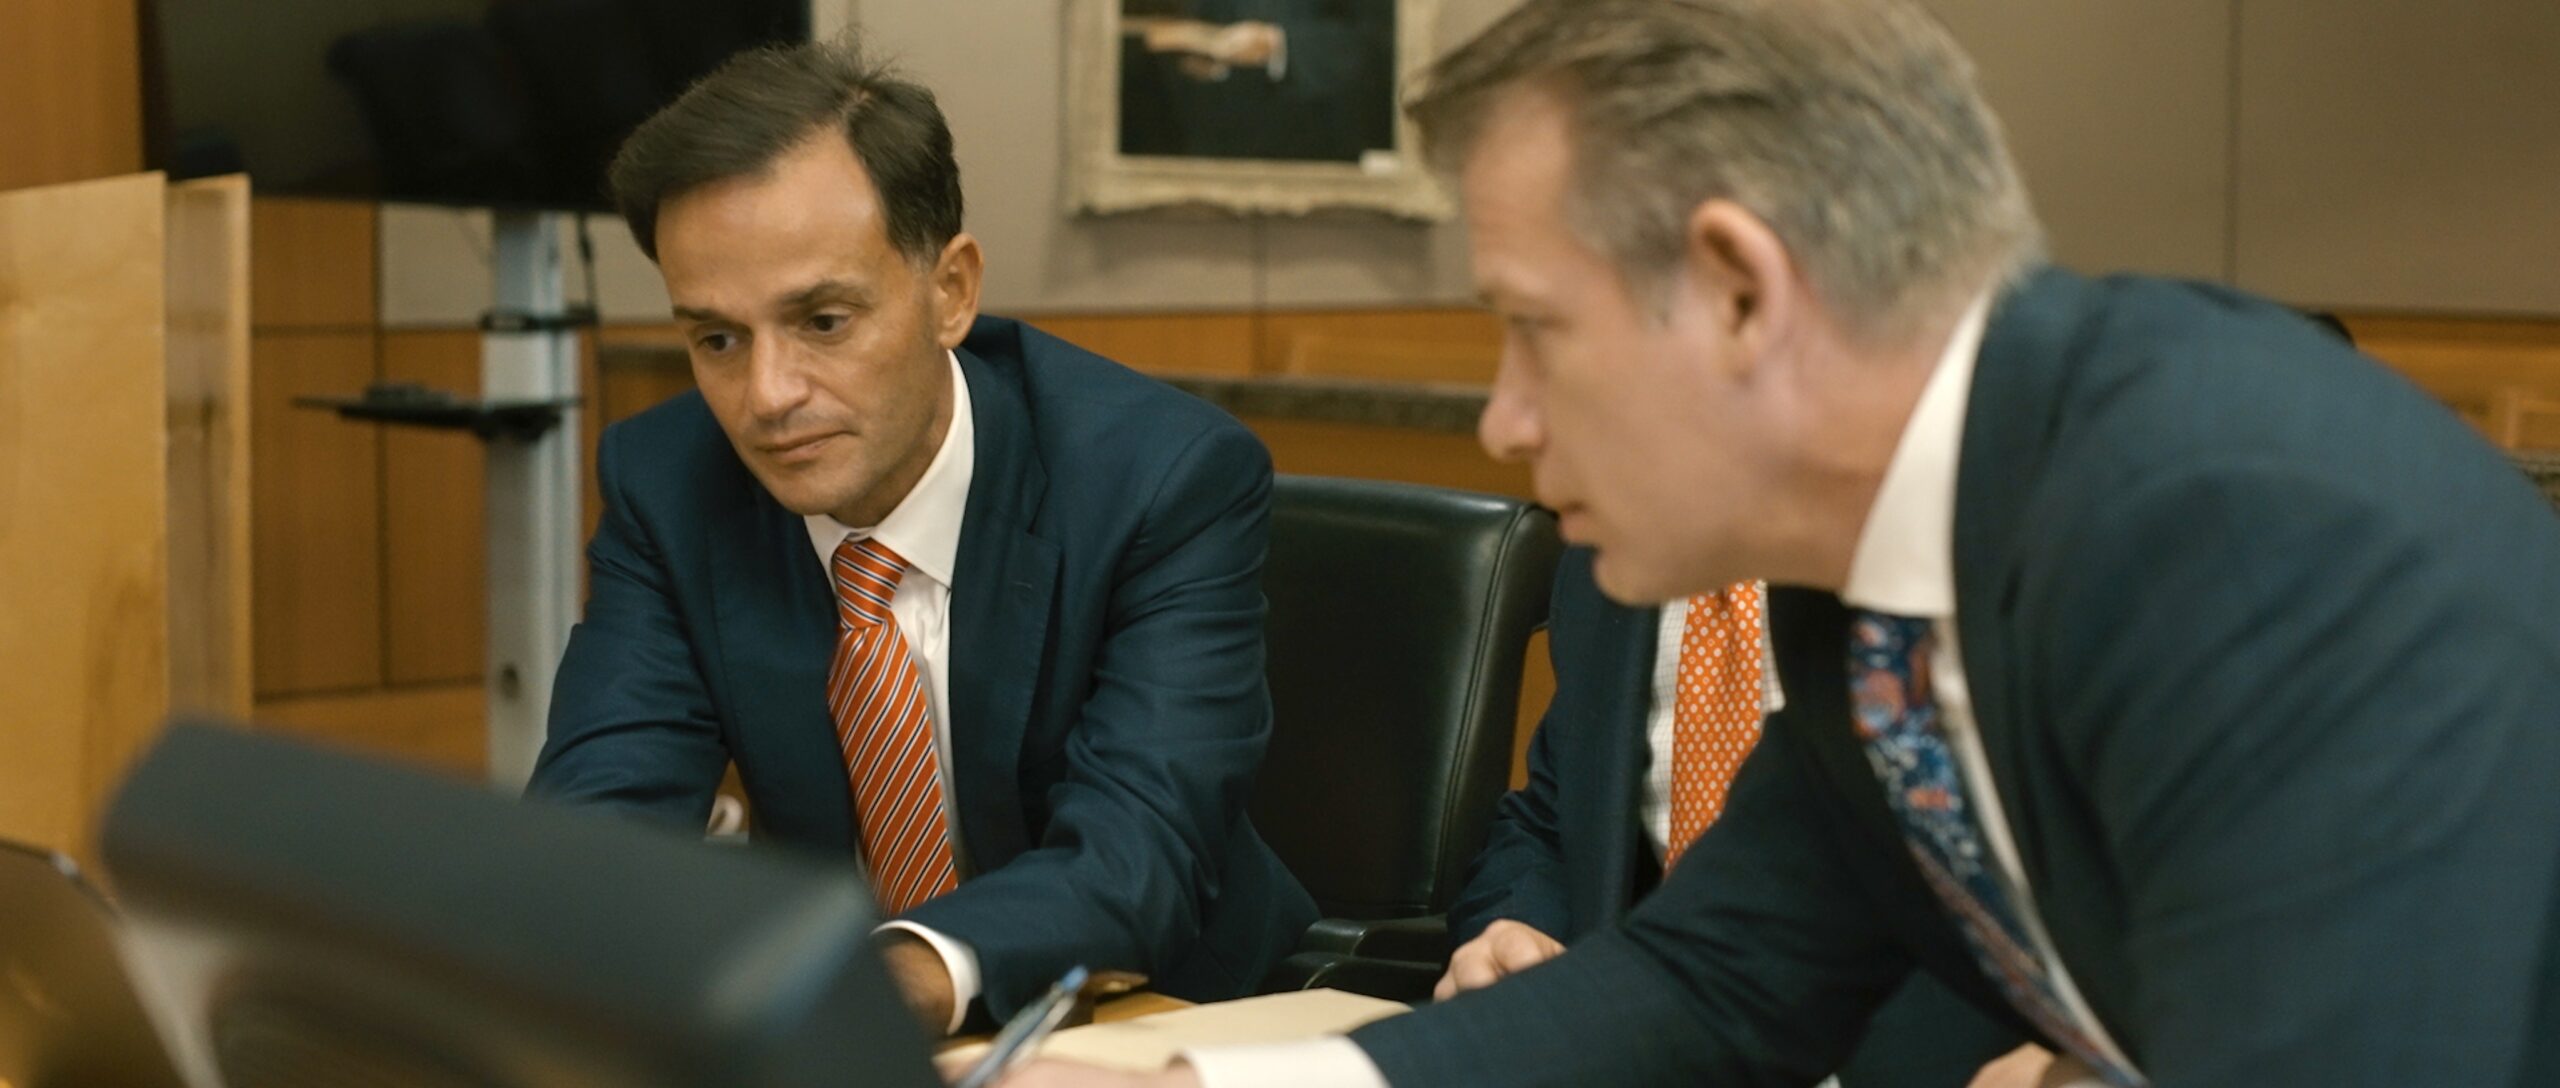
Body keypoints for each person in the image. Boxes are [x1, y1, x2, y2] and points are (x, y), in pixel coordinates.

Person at [1005, 0, 2560, 1084]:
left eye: (1536, 332)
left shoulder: (2239, 525)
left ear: (1743, 291)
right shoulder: (1883, 572)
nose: (1503, 421)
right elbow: (1720, 980)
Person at [525, 39, 1315, 1036]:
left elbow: (1138, 851)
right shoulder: (667, 481)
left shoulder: (1161, 479)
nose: (766, 396)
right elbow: (600, 819)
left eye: (821, 319)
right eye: (716, 338)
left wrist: (881, 984)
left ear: (951, 289)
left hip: (1162, 1010)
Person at [1440, 568, 2028, 1087]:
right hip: (1658, 1049)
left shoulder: (1954, 555)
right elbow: (1550, 817)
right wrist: (1511, 930)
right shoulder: (1607, 556)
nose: (1513, 439)